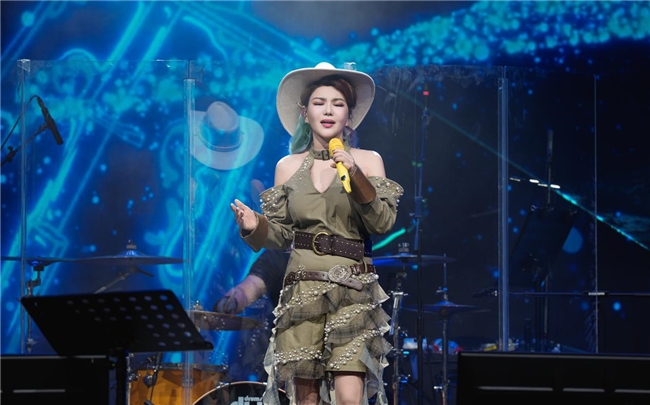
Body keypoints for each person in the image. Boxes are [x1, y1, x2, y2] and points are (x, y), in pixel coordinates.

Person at [230, 62, 404, 405]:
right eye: (319, 102)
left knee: (350, 398)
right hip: (303, 290)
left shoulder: (368, 160)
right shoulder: (287, 166)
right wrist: (254, 226)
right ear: (304, 113)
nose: (328, 110)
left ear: (349, 116)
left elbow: (382, 223)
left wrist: (355, 174)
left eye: (338, 104)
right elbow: (281, 235)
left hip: (353, 289)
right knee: (305, 399)